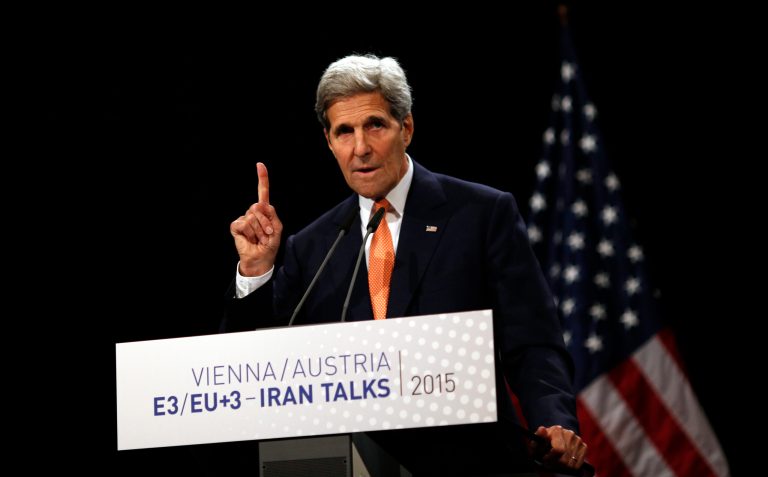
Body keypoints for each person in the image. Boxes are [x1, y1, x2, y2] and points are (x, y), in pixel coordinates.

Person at [222, 54, 587, 476]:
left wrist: (555, 420)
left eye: (375, 125)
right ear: (329, 142)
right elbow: (253, 368)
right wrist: (255, 270)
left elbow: (532, 343)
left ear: (406, 128)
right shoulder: (314, 247)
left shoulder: (481, 215)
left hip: (470, 461)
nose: (360, 147)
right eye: (344, 132)